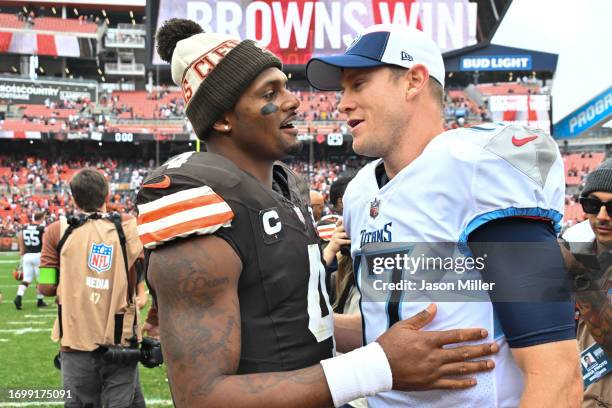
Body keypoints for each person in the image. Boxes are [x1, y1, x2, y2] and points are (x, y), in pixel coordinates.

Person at [136, 18, 499, 408]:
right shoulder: (201, 198)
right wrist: (378, 365)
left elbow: (301, 324)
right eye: (269, 92)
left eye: (286, 86)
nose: (294, 101)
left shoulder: (287, 187)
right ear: (222, 118)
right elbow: (202, 397)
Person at [306, 24, 581, 407]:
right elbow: (393, 323)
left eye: (359, 84)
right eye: (343, 89)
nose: (343, 103)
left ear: (413, 81)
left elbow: (555, 373)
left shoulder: (476, 169)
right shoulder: (360, 192)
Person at [38, 168, 144, 408]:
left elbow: (45, 287)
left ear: (73, 198)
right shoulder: (128, 227)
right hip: (120, 340)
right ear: (107, 195)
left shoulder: (56, 230)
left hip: (75, 341)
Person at [561, 158, 612, 407]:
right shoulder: (575, 244)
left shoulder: (574, 261)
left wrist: (578, 276)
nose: (602, 216)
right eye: (592, 204)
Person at [14, 211, 47, 310]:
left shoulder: (25, 227)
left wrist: (22, 250)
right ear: (41, 218)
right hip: (38, 254)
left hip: (27, 255)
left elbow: (20, 236)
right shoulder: (42, 229)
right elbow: (45, 242)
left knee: (26, 279)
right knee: (41, 279)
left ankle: (18, 297)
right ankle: (40, 300)